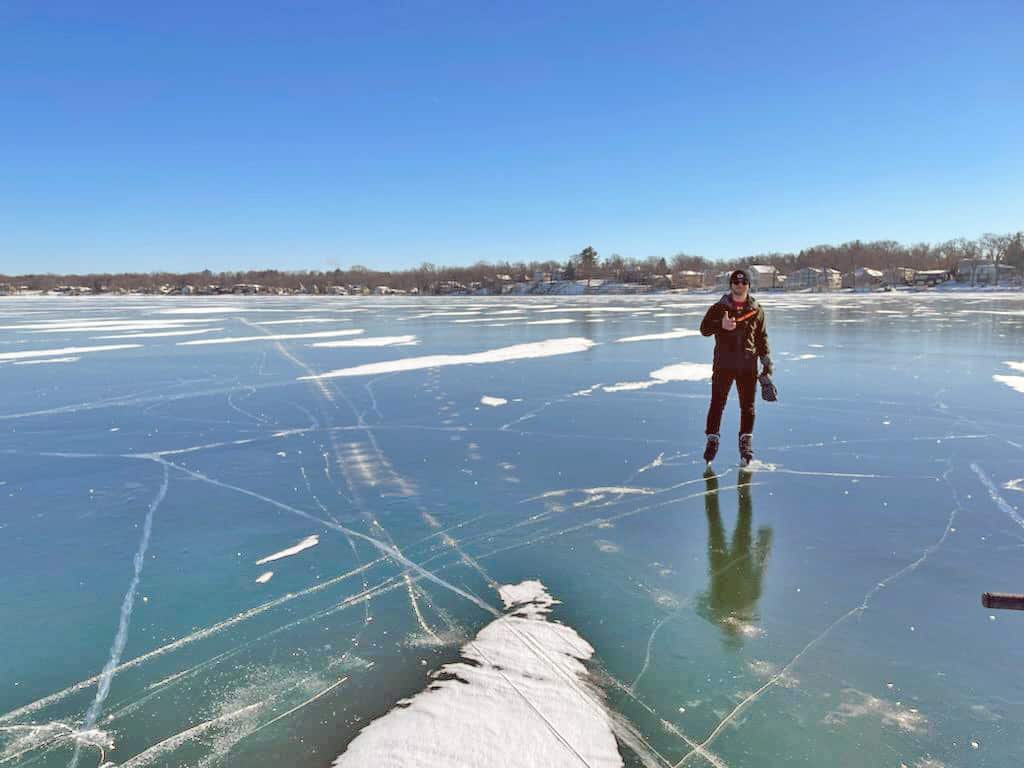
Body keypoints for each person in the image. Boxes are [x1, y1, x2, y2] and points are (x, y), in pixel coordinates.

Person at [699, 268, 772, 466]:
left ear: (748, 285)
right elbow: (704, 329)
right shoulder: (719, 308)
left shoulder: (757, 309)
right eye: (735, 282)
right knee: (717, 403)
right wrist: (721, 325)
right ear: (731, 285)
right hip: (724, 364)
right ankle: (712, 439)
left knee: (748, 406)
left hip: (748, 365)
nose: (739, 286)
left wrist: (766, 364)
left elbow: (761, 338)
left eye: (743, 283)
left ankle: (745, 442)